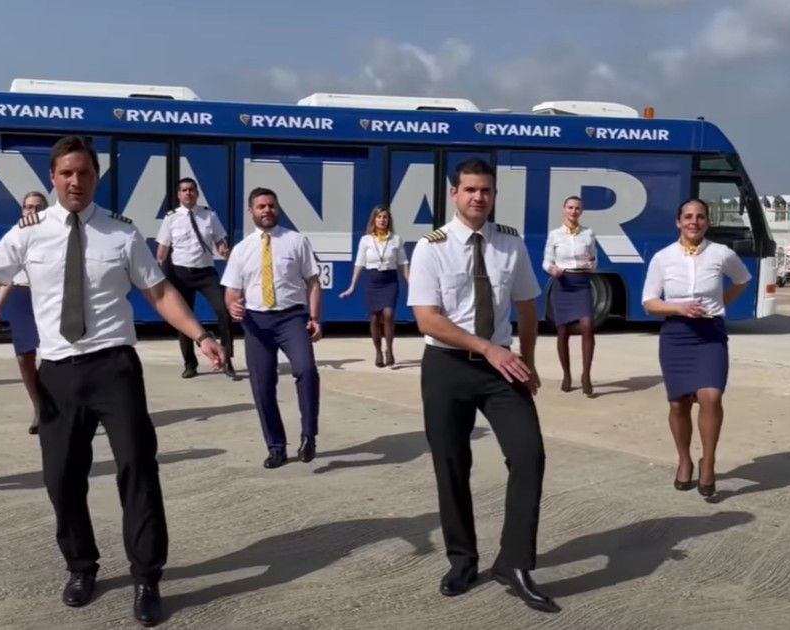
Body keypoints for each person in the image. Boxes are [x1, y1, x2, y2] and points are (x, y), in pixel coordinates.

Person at [0, 135, 224, 627]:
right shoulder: (28, 234)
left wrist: (200, 334)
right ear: (53, 178)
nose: (76, 181)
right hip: (57, 372)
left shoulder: (122, 233)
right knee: (61, 477)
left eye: (85, 173)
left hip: (114, 367)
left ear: (96, 177)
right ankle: (81, 566)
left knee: (137, 469)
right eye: (67, 173)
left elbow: (159, 292)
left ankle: (146, 576)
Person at [407, 158, 559, 613]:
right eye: (470, 189)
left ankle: (514, 563)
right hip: (447, 366)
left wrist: (527, 360)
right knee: (452, 465)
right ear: (454, 193)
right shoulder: (431, 247)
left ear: (494, 195)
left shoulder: (510, 243)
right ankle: (462, 560)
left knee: (529, 456)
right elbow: (427, 319)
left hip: (501, 368)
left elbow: (527, 306)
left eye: (486, 190)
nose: (478, 197)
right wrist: (487, 348)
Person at [641, 198, 750, 501]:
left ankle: (709, 462)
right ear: (678, 222)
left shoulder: (721, 253)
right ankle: (684, 459)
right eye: (688, 216)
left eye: (700, 217)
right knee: (679, 404)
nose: (694, 222)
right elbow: (649, 302)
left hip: (710, 335)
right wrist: (678, 308)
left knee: (711, 397)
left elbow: (742, 280)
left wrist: (720, 304)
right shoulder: (663, 258)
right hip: (676, 336)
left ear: (707, 222)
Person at [221, 187, 322, 469]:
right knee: (262, 385)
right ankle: (276, 447)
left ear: (277, 208)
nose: (267, 210)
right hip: (256, 323)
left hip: (292, 318)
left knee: (306, 370)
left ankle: (309, 435)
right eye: (261, 206)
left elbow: (313, 282)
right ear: (251, 212)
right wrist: (232, 306)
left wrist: (314, 318)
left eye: (271, 205)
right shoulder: (241, 250)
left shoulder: (296, 241)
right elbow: (231, 291)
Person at [155, 177, 237, 379]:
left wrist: (224, 251)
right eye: (184, 190)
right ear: (178, 194)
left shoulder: (209, 215)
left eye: (191, 189)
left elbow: (220, 241)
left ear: (197, 193)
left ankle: (227, 359)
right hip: (180, 273)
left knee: (224, 310)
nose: (188, 193)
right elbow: (162, 250)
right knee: (184, 317)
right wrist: (159, 272)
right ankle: (190, 364)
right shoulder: (171, 218)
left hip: (206, 273)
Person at [0, 191, 49, 434]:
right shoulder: (16, 234)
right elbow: (7, 277)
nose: (32, 211)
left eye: (37, 207)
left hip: (47, 298)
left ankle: (56, 401)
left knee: (54, 355)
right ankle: (39, 407)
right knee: (24, 356)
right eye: (28, 207)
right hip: (21, 298)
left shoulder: (54, 234)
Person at [338, 204, 410, 367]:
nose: (382, 220)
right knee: (375, 317)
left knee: (389, 314)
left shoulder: (396, 239)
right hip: (373, 281)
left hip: (389, 280)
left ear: (389, 220)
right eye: (379, 217)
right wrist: (352, 286)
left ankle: (389, 349)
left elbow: (403, 264)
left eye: (385, 217)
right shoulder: (366, 240)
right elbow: (359, 264)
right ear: (374, 220)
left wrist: (411, 283)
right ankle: (378, 352)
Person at [541, 195, 599, 395]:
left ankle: (586, 376)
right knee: (563, 331)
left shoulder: (588, 233)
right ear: (564, 209)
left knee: (587, 325)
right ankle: (566, 375)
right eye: (570, 207)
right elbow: (546, 262)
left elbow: (595, 261)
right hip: (562, 283)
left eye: (577, 208)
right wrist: (552, 269)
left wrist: (591, 263)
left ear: (581, 211)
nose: (573, 211)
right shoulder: (555, 235)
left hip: (581, 283)